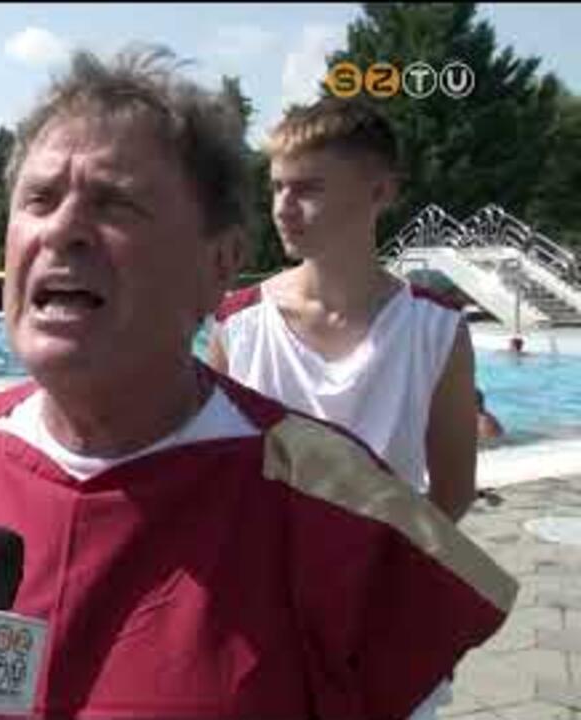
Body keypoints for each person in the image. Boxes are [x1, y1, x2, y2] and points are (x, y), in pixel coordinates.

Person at [0, 46, 516, 719]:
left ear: (220, 263)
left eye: (115, 203)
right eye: (39, 198)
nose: (62, 230)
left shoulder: (342, 522)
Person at [206, 97, 479, 720]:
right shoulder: (240, 324)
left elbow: (454, 490)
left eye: (308, 189)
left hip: (380, 610)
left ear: (380, 192)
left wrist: (379, 579)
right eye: (277, 187)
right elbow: (214, 479)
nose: (283, 207)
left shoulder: (435, 330)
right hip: (263, 613)